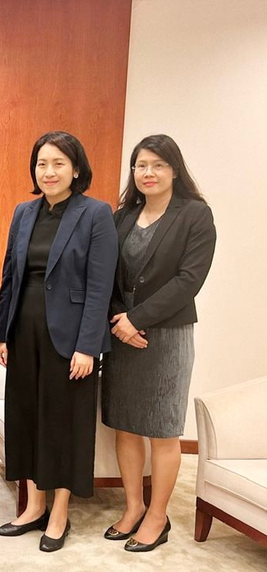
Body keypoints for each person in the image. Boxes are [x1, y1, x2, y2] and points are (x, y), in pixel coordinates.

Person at [0, 131, 117, 552]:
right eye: (42, 163)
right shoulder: (23, 212)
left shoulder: (96, 214)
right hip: (23, 331)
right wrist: (1, 333)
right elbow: (10, 275)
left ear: (76, 169)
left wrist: (88, 345)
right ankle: (33, 505)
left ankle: (60, 512)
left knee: (63, 424)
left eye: (58, 163)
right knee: (26, 417)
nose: (49, 171)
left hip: (70, 340)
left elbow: (100, 286)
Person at [101, 134, 216, 552]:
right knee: (126, 425)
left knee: (163, 430)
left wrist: (136, 318)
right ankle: (133, 507)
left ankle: (157, 515)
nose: (148, 173)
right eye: (140, 165)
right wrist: (119, 319)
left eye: (157, 165)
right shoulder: (123, 215)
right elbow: (106, 272)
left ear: (174, 170)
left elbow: (189, 280)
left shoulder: (195, 215)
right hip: (121, 332)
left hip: (166, 335)